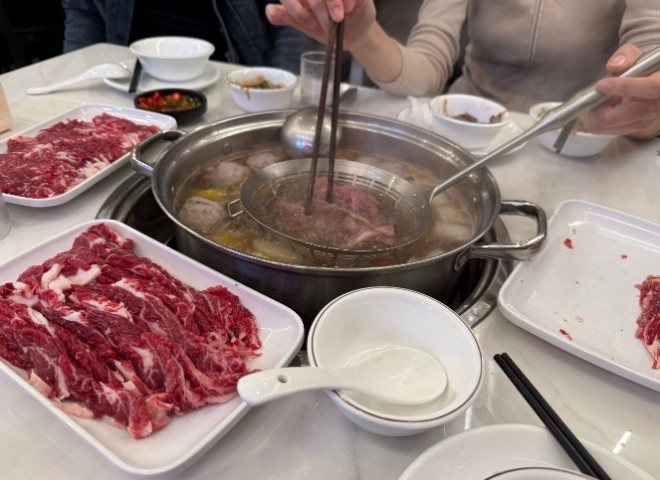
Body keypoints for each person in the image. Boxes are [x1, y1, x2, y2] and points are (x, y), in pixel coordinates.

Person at [265, 0, 660, 138]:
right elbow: (426, 71)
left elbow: (650, 49)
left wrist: (646, 106)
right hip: (469, 132)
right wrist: (364, 37)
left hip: (585, 137)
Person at [60, 0, 320, 74]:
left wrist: (280, 85)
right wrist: (77, 79)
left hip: (231, 78)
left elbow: (297, 19)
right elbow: (84, 11)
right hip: (130, 79)